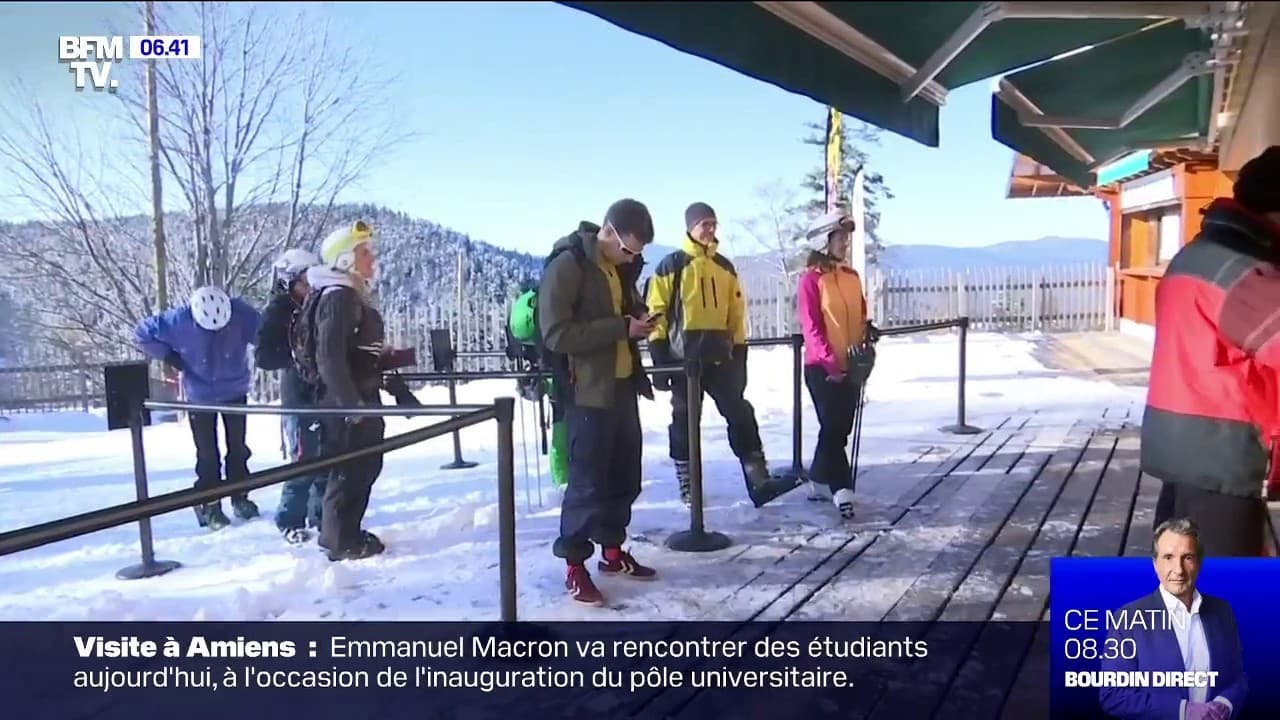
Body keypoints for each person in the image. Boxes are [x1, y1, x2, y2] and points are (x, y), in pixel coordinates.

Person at [1143, 145, 1280, 556]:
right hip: (1222, 456)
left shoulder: (1202, 254)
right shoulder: (1246, 273)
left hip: (1187, 448)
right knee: (1225, 597)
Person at [539, 198, 657, 606]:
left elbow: (622, 315)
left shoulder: (619, 268)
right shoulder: (568, 265)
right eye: (629, 250)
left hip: (622, 387)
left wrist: (639, 318)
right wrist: (620, 328)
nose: (632, 258)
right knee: (587, 484)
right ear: (608, 232)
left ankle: (611, 552)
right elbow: (556, 333)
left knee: (624, 478)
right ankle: (574, 564)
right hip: (586, 392)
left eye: (638, 254)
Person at [646, 202, 776, 507]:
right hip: (683, 362)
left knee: (740, 414)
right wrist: (659, 357)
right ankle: (688, 484)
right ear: (690, 227)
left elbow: (736, 312)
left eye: (714, 224)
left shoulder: (725, 267)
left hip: (720, 359)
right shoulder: (670, 266)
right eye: (705, 224)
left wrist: (740, 353)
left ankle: (758, 478)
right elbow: (657, 312)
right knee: (684, 422)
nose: (711, 230)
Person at [134, 286, 262, 530]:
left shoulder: (241, 313)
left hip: (234, 390)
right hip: (200, 395)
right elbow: (142, 333)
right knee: (207, 453)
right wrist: (168, 356)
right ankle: (209, 504)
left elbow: (264, 333)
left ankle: (240, 496)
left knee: (238, 448)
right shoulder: (176, 320)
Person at [301, 220, 389, 561]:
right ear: (346, 259)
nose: (371, 258)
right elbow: (329, 357)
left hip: (357, 396)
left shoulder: (347, 294)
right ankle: (340, 539)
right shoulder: (338, 297)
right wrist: (352, 406)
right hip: (346, 402)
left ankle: (345, 531)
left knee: (363, 466)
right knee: (351, 469)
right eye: (364, 251)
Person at [1098, 518, 1246, 720]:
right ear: (1155, 564)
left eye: (1187, 558)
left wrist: (1224, 705)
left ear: (1199, 563)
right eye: (1168, 557)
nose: (1178, 570)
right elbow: (1113, 695)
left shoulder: (1222, 611)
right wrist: (1183, 711)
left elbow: (1237, 678)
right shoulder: (1128, 619)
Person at [797, 210, 878, 519]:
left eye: (846, 237)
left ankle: (818, 479)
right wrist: (832, 365)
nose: (845, 243)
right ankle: (842, 489)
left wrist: (866, 340)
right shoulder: (811, 280)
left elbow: (859, 316)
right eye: (840, 238)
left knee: (839, 430)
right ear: (823, 241)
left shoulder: (851, 277)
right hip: (821, 368)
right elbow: (812, 327)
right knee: (832, 428)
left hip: (852, 365)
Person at [255, 248, 325, 544]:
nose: (310, 285)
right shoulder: (278, 312)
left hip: (323, 392)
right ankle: (289, 519)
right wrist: (298, 356)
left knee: (327, 457)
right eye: (304, 280)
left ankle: (322, 515)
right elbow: (264, 356)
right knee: (302, 460)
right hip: (297, 395)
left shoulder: (318, 304)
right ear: (289, 281)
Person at [508, 285, 569, 490]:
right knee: (567, 428)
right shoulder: (551, 302)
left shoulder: (526, 310)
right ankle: (567, 481)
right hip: (564, 374)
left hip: (553, 376)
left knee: (561, 430)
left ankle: (562, 482)